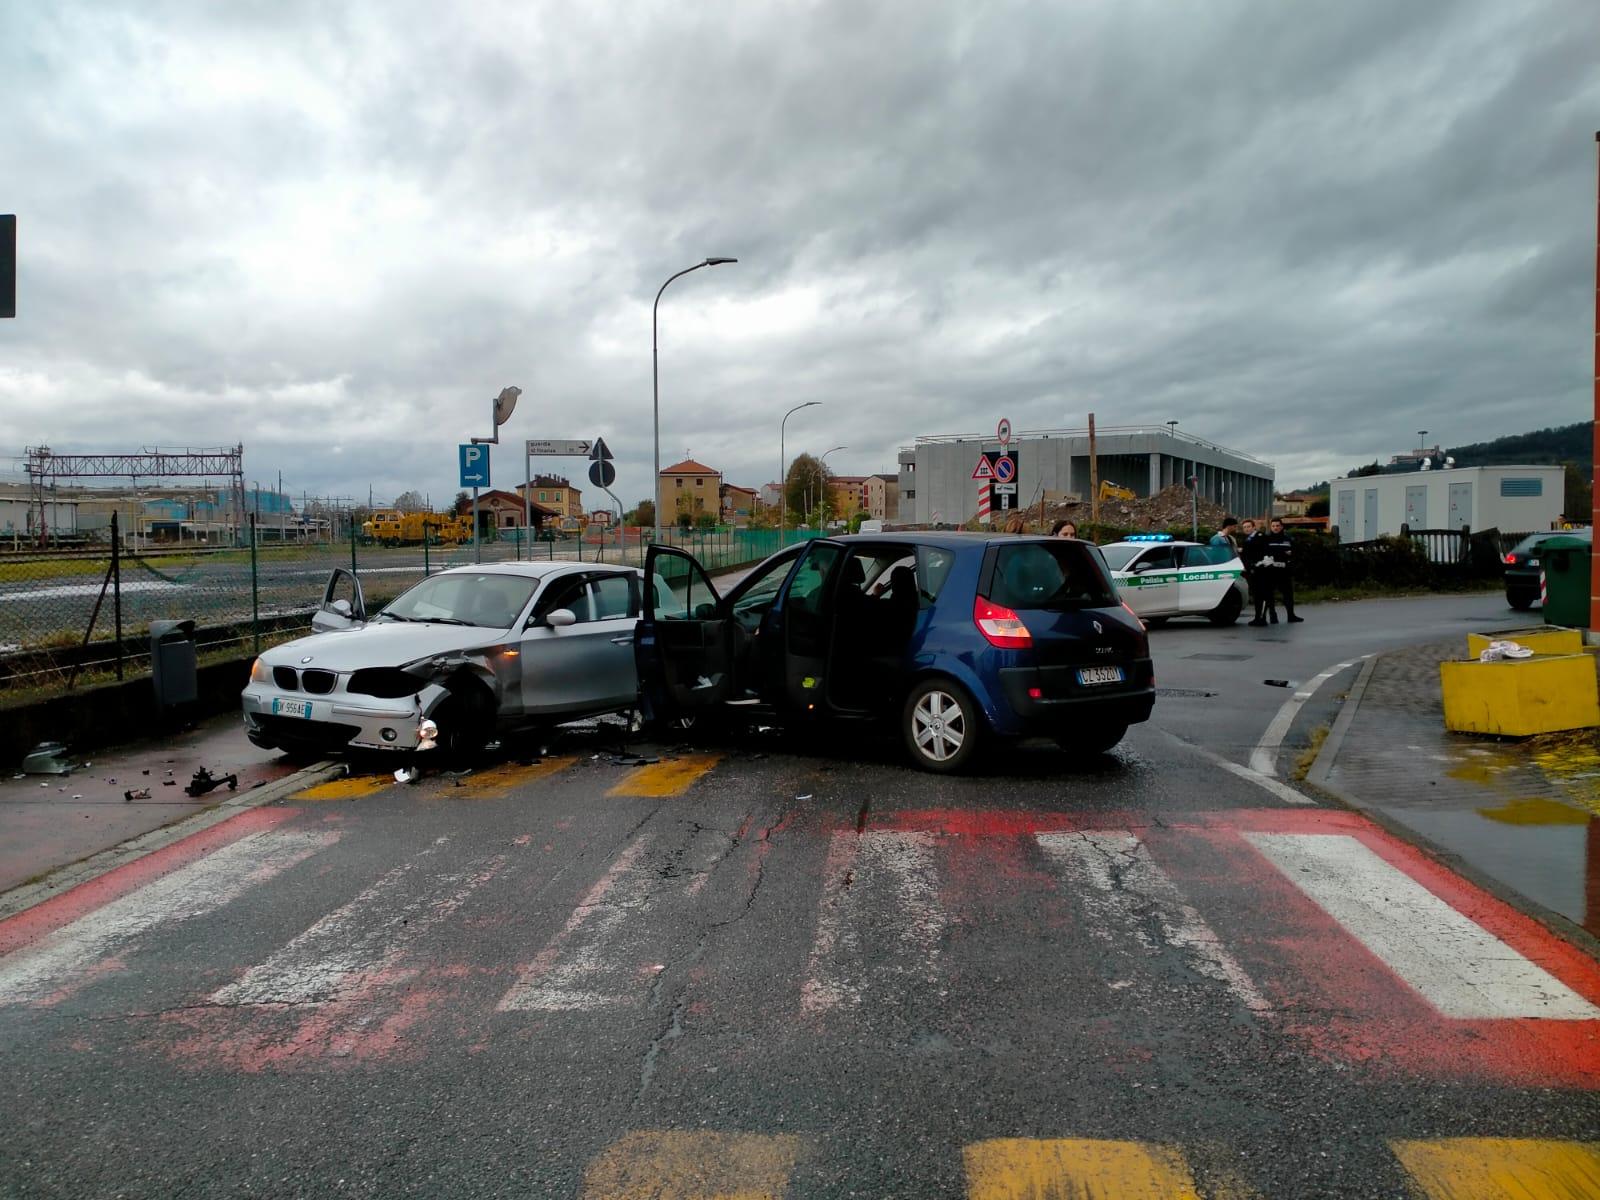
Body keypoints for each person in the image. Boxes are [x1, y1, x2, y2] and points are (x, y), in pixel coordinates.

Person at [1262, 517, 1303, 623]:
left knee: (1288, 594)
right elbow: (1265, 554)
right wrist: (1283, 553)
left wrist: (1287, 556)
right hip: (1271, 571)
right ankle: (1272, 615)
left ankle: (1291, 615)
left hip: (1285, 571)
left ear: (1282, 526)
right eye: (1273, 526)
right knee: (1270, 594)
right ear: (1270, 527)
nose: (1275, 528)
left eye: (1277, 526)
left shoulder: (1288, 539)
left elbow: (1294, 552)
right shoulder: (1266, 539)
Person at [1239, 518, 1273, 625]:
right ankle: (1257, 617)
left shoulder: (1260, 537)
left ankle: (1262, 618)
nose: (1247, 529)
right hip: (1252, 571)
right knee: (1256, 595)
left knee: (1263, 594)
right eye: (1244, 527)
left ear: (1254, 527)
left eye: (1248, 526)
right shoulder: (1247, 540)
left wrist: (1261, 563)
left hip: (1261, 570)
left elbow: (1266, 552)